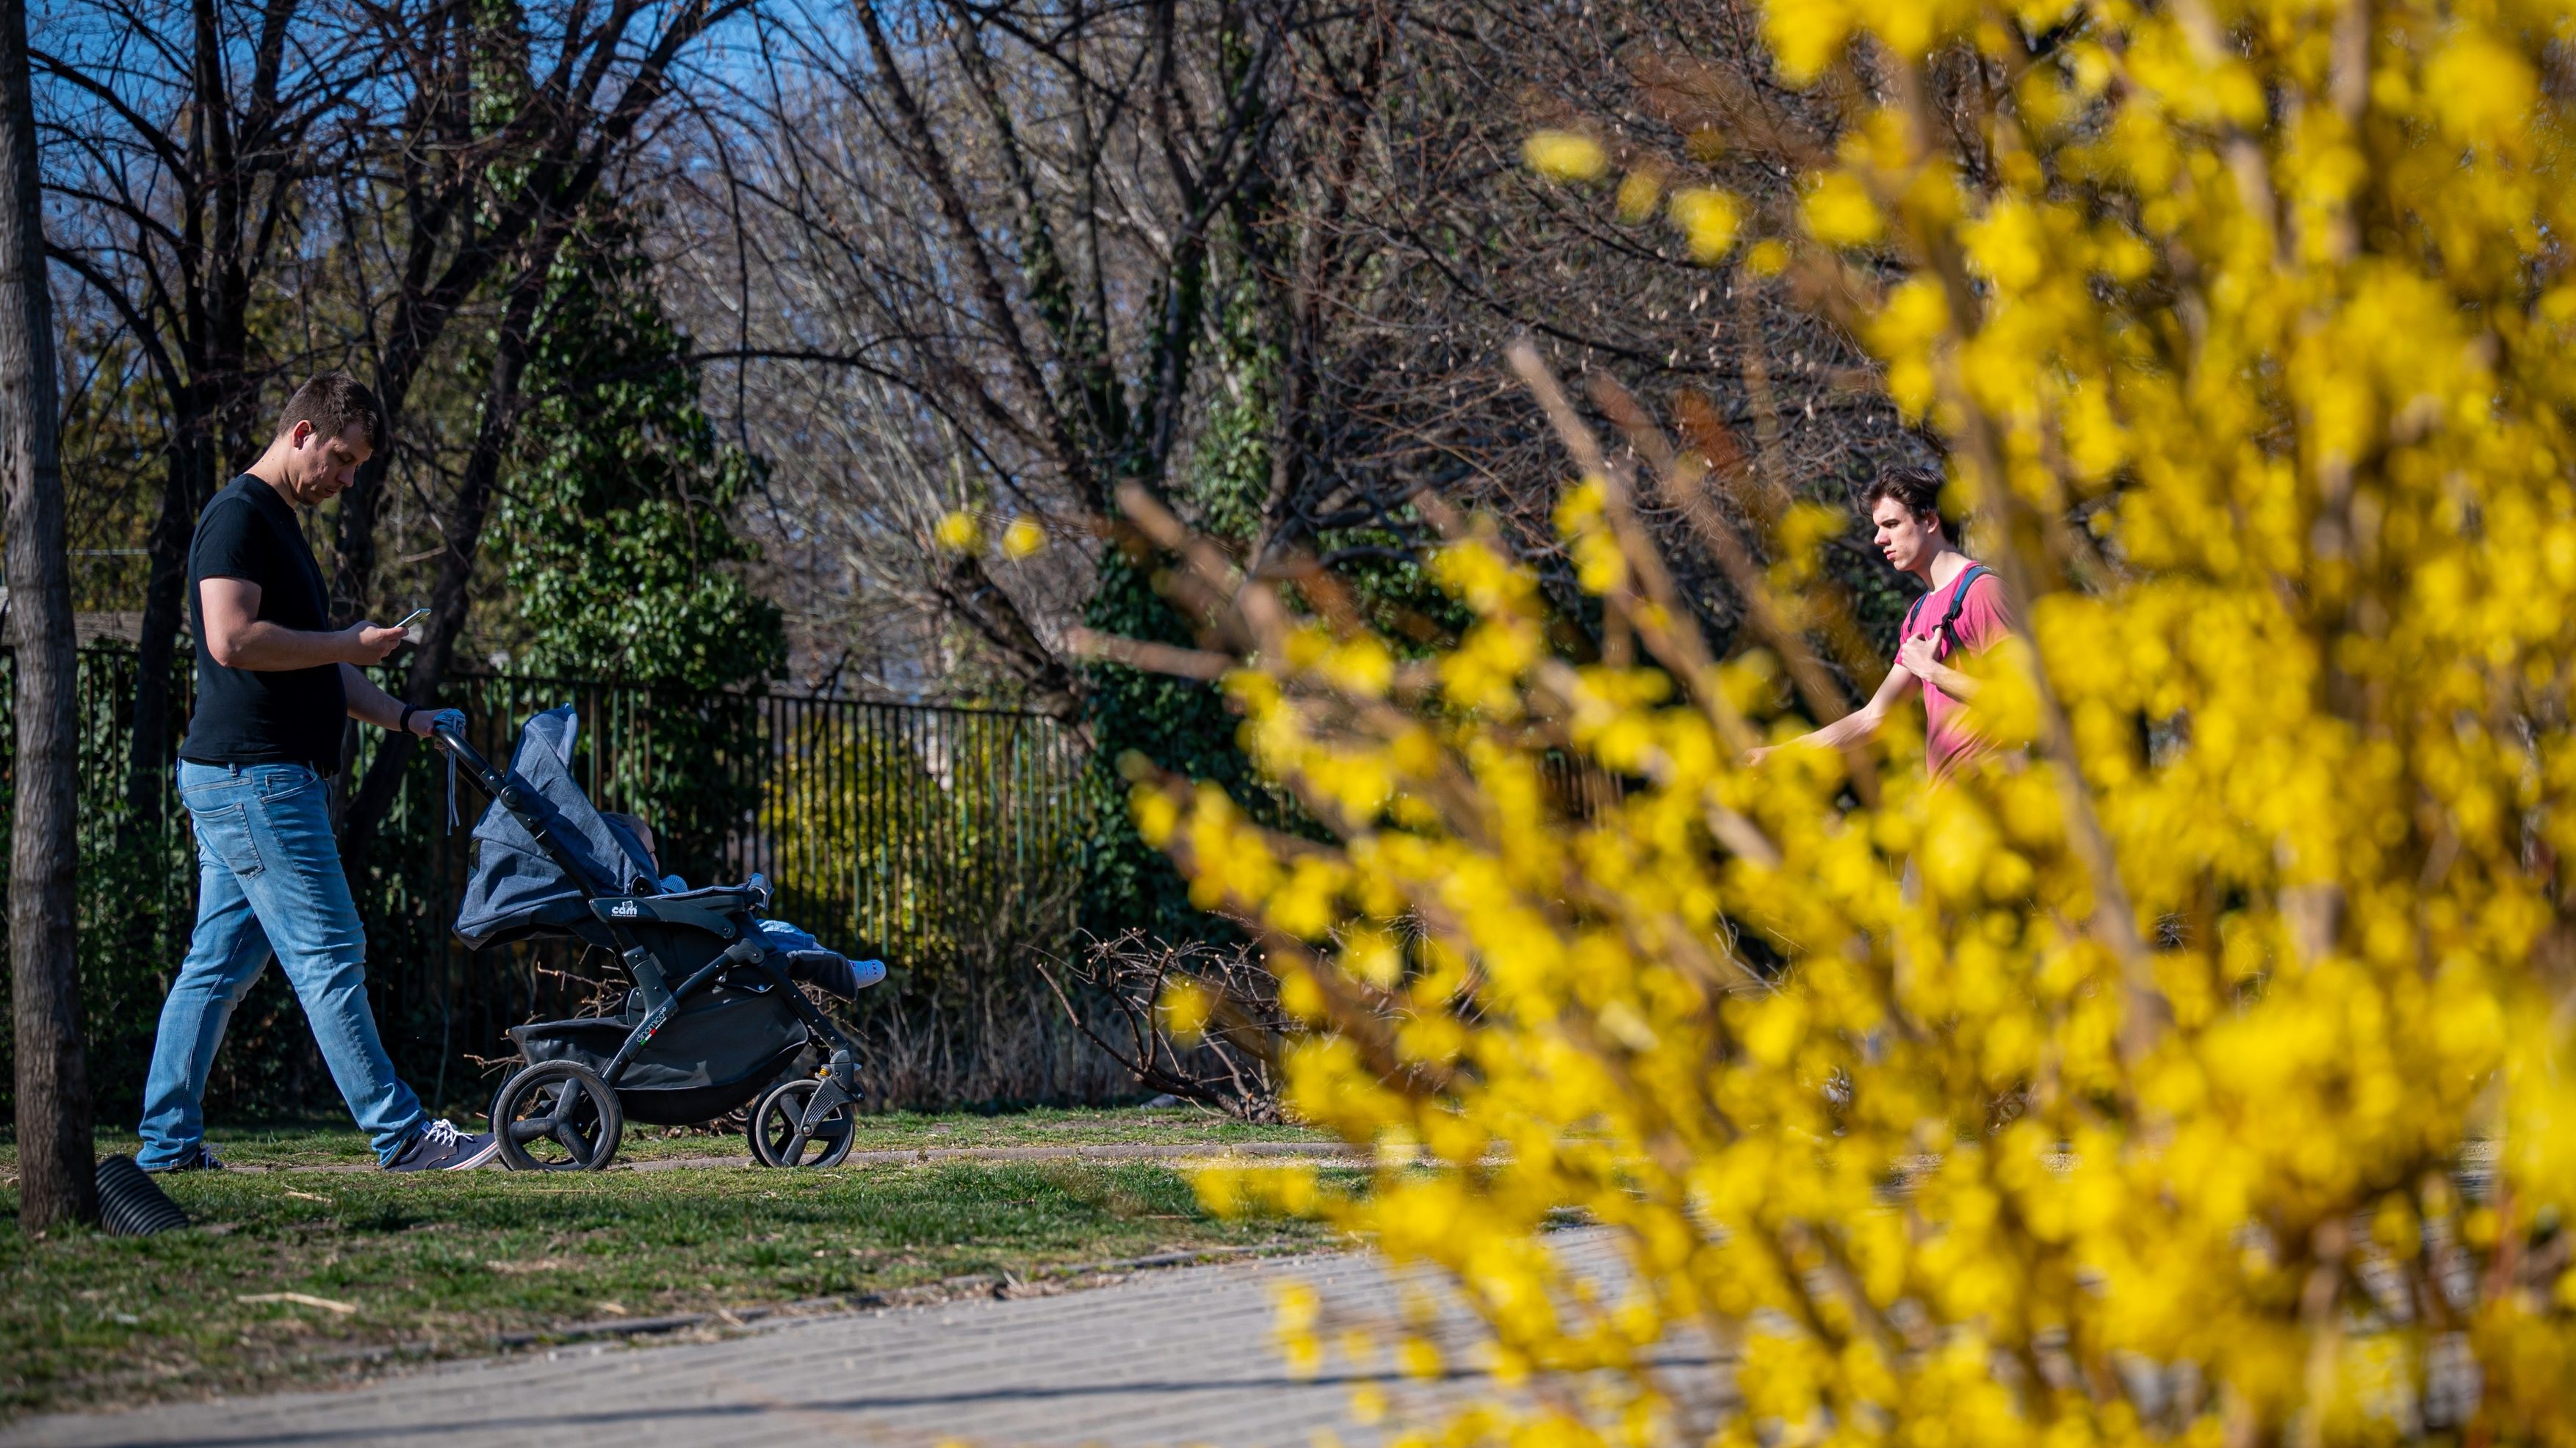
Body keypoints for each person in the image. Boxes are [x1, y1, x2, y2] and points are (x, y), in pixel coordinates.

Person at [137, 374, 499, 1173]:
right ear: (301, 432)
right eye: (340, 458)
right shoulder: (237, 517)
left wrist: (408, 716)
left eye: (356, 467)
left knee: (218, 966)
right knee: (331, 948)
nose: (344, 478)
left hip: (251, 777)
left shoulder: (280, 526)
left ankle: (165, 1144)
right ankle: (400, 1134)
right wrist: (343, 641)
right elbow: (233, 639)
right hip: (254, 777)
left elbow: (320, 670)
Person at [1750, 466, 2014, 778]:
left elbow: (2020, 701)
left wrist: (1933, 672)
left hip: (1997, 798)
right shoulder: (1918, 615)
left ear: (1930, 520)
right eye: (1878, 527)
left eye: (1891, 524)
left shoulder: (1983, 591)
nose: (1879, 539)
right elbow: (1873, 718)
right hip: (1949, 803)